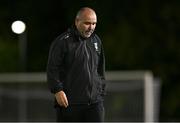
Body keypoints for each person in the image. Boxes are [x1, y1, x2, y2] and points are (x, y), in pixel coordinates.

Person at [47, 7, 106, 122]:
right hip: (70, 104)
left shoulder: (96, 40)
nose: (91, 27)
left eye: (94, 23)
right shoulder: (62, 42)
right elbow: (52, 68)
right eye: (87, 23)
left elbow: (100, 68)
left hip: (95, 104)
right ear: (77, 21)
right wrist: (57, 90)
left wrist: (101, 91)